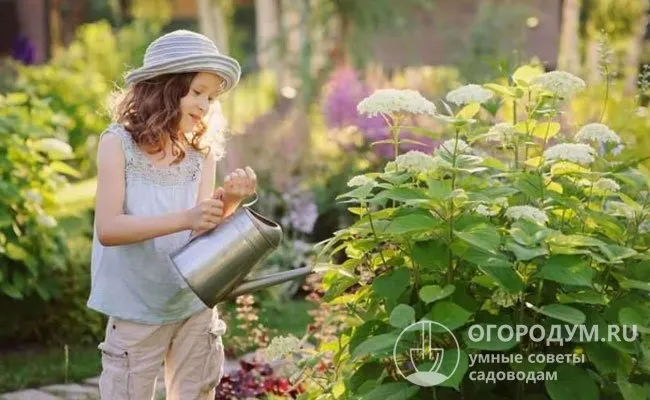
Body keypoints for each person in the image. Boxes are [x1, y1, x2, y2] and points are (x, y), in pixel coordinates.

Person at [87, 30, 257, 400]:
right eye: (196, 91)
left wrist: (228, 201)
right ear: (163, 88)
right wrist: (187, 217)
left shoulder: (201, 153)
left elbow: (201, 237)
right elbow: (109, 228)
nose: (204, 104)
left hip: (192, 304)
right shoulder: (118, 144)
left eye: (211, 97)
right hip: (136, 306)